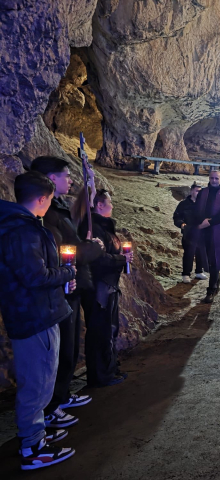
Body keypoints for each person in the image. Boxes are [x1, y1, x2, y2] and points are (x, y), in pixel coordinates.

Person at [0, 171, 77, 470]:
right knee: (37, 382)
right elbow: (35, 276)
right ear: (42, 199)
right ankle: (33, 447)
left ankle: (36, 434)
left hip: (33, 313)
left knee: (40, 378)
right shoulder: (23, 230)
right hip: (35, 316)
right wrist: (67, 272)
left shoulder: (17, 225)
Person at [30, 156, 103, 428]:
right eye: (66, 176)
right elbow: (63, 253)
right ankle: (51, 407)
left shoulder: (58, 209)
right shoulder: (47, 215)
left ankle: (61, 395)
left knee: (70, 347)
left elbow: (77, 222)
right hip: (62, 287)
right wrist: (93, 249)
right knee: (60, 350)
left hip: (71, 284)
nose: (70, 180)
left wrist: (90, 183)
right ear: (51, 179)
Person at [77, 189, 132, 387]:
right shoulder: (91, 228)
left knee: (109, 329)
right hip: (99, 287)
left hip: (108, 286)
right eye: (109, 202)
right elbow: (97, 259)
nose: (113, 205)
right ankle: (101, 375)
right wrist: (121, 259)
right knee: (101, 330)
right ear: (99, 205)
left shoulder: (103, 226)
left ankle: (109, 368)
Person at [195, 170, 220, 304]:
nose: (214, 181)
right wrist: (199, 223)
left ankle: (211, 290)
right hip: (202, 229)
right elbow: (196, 209)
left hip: (215, 229)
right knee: (206, 257)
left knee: (214, 258)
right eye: (212, 178)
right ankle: (217, 278)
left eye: (216, 178)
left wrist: (209, 222)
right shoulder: (203, 193)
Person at [173, 182, 208, 284]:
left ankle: (199, 272)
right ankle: (186, 274)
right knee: (189, 254)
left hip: (201, 232)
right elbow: (177, 217)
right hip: (189, 233)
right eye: (197, 191)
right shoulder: (183, 204)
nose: (199, 193)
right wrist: (182, 224)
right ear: (192, 191)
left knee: (201, 252)